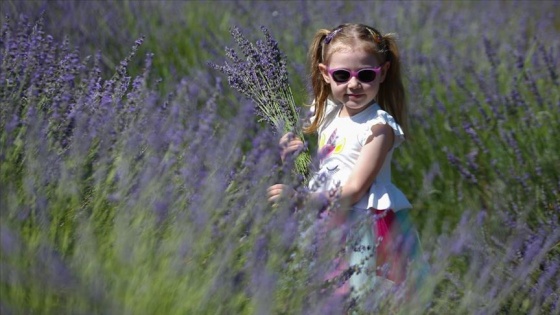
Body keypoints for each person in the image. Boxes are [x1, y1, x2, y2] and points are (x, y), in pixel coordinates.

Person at [267, 23, 423, 307]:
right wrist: (295, 150)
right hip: (327, 219)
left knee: (364, 296)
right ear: (326, 74)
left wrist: (303, 200)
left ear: (383, 73)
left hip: (365, 226)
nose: (353, 84)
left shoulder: (379, 128)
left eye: (365, 75)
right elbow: (328, 163)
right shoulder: (326, 113)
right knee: (324, 292)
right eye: (342, 75)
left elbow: (354, 188)